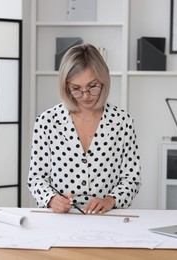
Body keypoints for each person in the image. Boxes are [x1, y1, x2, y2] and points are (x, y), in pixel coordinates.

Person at [27, 43, 141, 215]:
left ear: (103, 81)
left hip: (109, 217)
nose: (86, 95)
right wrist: (51, 199)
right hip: (62, 218)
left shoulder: (122, 122)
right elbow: (36, 178)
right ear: (66, 87)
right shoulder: (47, 122)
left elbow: (132, 178)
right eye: (76, 89)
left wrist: (110, 200)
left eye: (93, 86)